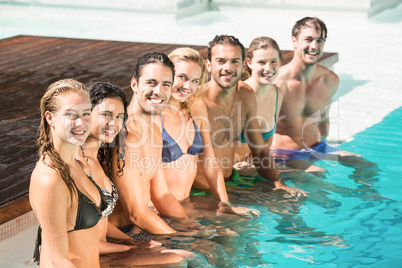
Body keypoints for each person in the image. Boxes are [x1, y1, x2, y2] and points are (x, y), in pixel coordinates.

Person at [76, 81, 184, 266]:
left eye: (119, 116)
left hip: (104, 248)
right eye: (106, 115)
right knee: (179, 259)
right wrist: (131, 248)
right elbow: (80, 240)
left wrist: (133, 242)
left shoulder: (95, 160)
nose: (114, 123)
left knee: (181, 255)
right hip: (88, 258)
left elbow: (100, 224)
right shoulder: (77, 165)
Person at [108, 52, 212, 237]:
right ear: (134, 84)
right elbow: (134, 213)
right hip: (120, 235)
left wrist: (193, 227)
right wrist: (177, 237)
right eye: (151, 83)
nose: (158, 91)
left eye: (165, 85)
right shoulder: (124, 135)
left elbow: (162, 194)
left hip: (142, 227)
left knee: (220, 241)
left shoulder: (154, 132)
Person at [192, 34, 307, 197]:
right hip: (200, 192)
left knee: (294, 200)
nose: (228, 67)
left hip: (231, 181)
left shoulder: (245, 94)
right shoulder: (194, 101)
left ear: (241, 64)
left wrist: (277, 183)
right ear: (209, 65)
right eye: (221, 61)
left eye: (234, 61)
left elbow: (259, 149)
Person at [156, 47, 258, 217]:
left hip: (186, 202)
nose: (188, 86)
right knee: (220, 238)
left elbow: (210, 163)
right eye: (182, 77)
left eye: (195, 81)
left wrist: (226, 204)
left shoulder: (194, 109)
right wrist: (186, 222)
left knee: (242, 226)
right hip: (159, 210)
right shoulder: (154, 116)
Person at [273, 17, 375, 176]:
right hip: (283, 153)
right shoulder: (277, 82)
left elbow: (323, 118)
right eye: (308, 39)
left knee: (366, 165)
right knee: (318, 172)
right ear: (294, 41)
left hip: (316, 148)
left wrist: (324, 142)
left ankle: (370, 199)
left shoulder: (329, 80)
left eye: (320, 41)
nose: (314, 46)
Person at [30, 79, 101, 267]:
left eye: (86, 114)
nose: (81, 123)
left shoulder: (75, 164)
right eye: (71, 115)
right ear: (50, 118)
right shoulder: (50, 179)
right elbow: (57, 259)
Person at [234, 36, 284, 167]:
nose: (268, 68)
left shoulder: (277, 94)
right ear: (249, 63)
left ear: (280, 63)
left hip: (252, 166)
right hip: (227, 169)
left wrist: (248, 161)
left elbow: (268, 139)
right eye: (261, 62)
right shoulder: (237, 92)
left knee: (314, 173)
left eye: (273, 61)